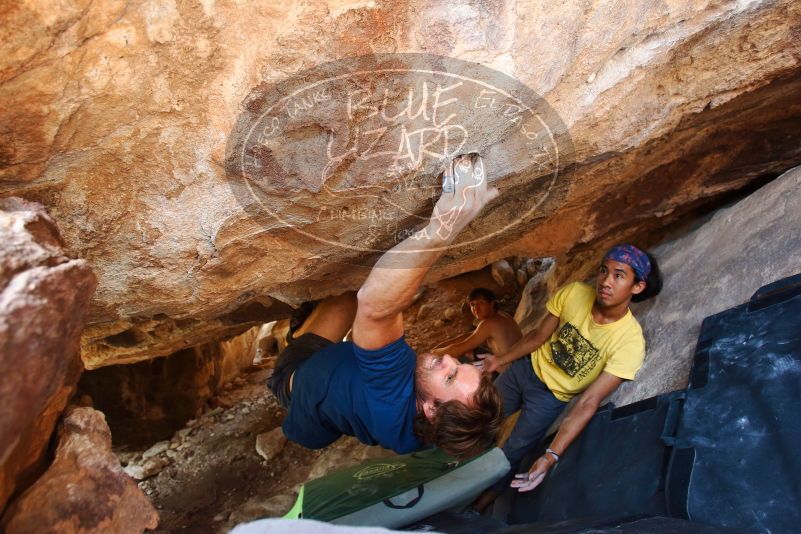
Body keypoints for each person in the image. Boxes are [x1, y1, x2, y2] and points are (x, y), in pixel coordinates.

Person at [267, 154, 504, 460]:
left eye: (449, 377)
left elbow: (375, 305)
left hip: (296, 375)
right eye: (460, 366)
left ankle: (301, 329)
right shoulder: (427, 434)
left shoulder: (391, 389)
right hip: (320, 424)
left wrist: (445, 226)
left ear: (431, 410)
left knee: (347, 293)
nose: (448, 359)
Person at [475, 244, 662, 505]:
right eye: (603, 271)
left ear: (637, 287)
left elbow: (589, 401)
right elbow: (538, 336)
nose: (606, 281)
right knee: (478, 419)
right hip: (524, 370)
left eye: (619, 276)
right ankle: (444, 474)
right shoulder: (575, 293)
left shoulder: (629, 342)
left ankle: (477, 506)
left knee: (509, 455)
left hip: (549, 399)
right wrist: (499, 361)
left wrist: (551, 455)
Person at [432, 288, 522, 366]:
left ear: (492, 304)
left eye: (481, 302)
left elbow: (457, 349)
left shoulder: (489, 323)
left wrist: (433, 354)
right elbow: (470, 335)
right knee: (470, 350)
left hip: (513, 374)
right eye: (473, 304)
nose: (476, 308)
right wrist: (442, 346)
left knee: (460, 356)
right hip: (518, 364)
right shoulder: (501, 315)